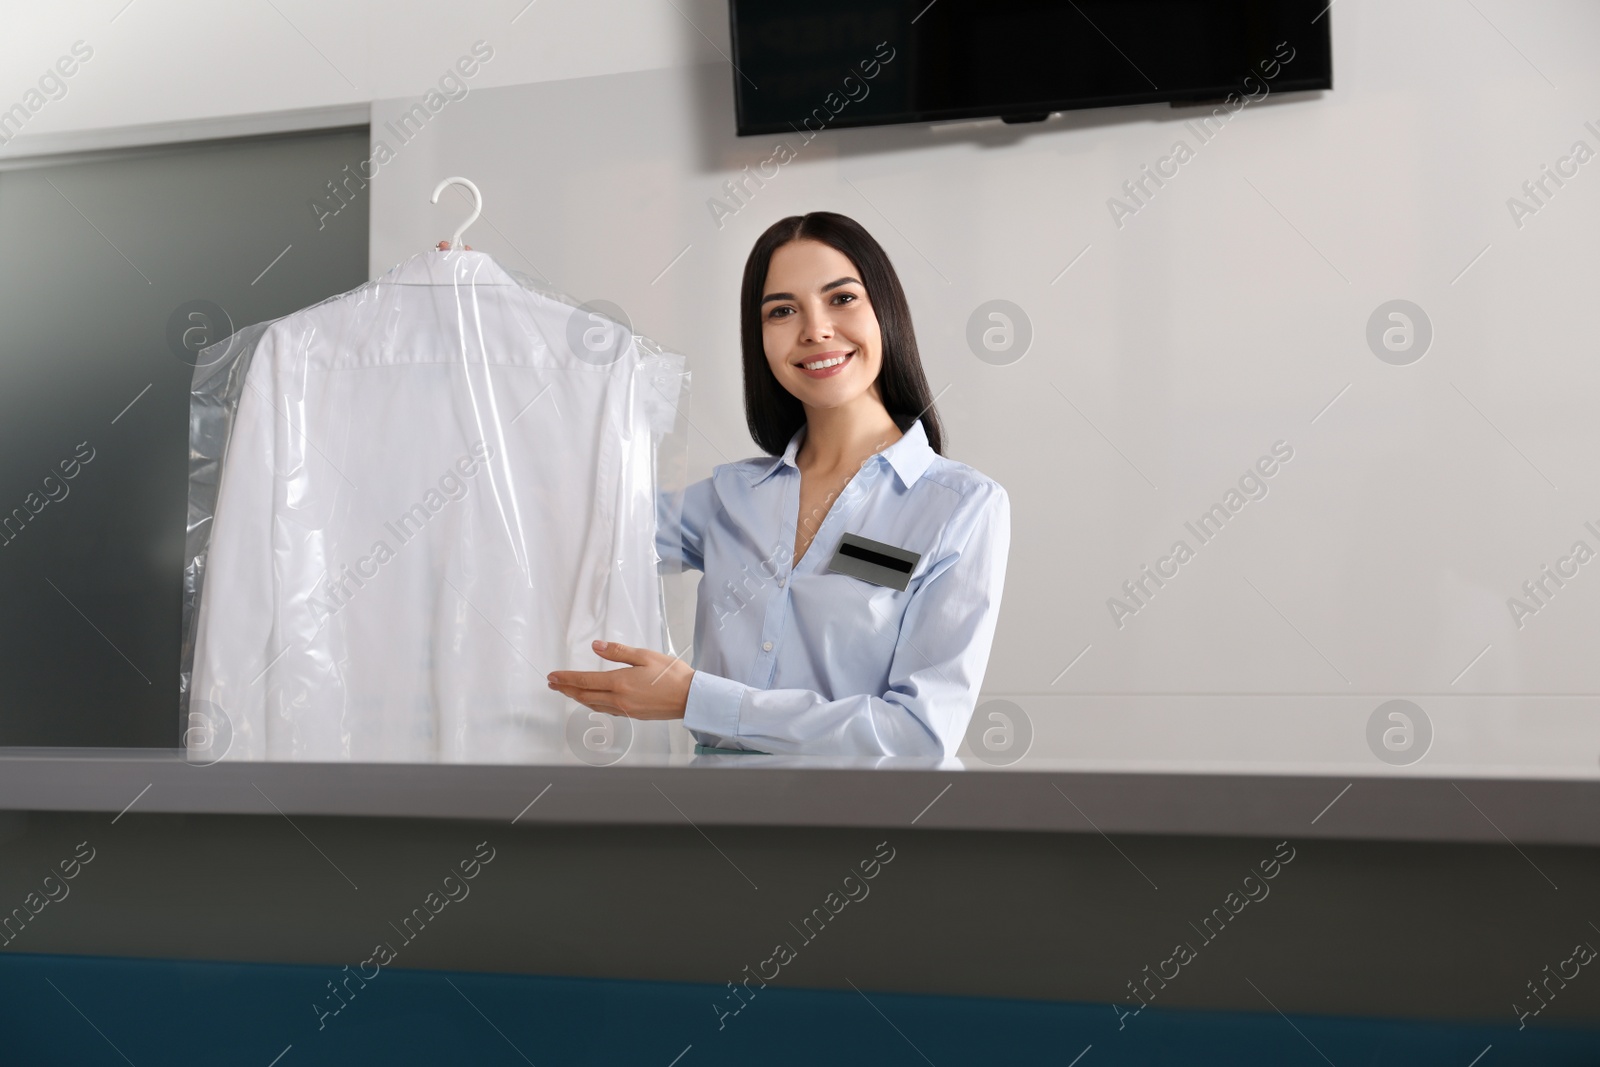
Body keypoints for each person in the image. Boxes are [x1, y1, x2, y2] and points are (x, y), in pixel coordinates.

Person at [546, 212, 1010, 756]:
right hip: (708, 822)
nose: (814, 329)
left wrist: (695, 697)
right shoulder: (727, 499)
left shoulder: (960, 507)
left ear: (885, 311)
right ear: (760, 339)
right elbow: (569, 521)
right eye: (783, 310)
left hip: (870, 833)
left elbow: (920, 734)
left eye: (841, 299)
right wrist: (473, 308)